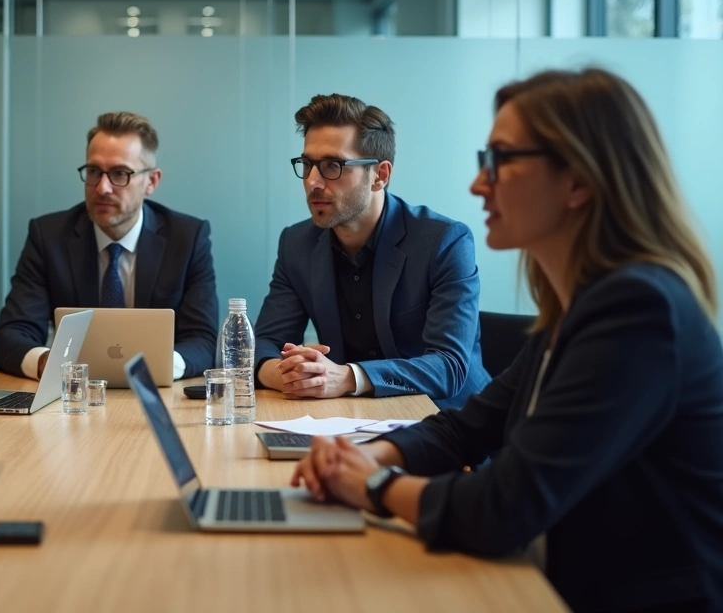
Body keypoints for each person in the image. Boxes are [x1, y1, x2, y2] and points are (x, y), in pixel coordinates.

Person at [291, 69, 723, 612]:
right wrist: (364, 456)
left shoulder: (639, 312)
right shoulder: (578, 307)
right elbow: (464, 429)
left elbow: (503, 508)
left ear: (578, 181)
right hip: (548, 573)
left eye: (503, 160)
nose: (479, 184)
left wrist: (372, 485)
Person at [254, 94, 490, 409]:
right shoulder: (297, 244)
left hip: (449, 426)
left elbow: (449, 366)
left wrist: (348, 377)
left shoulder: (444, 242)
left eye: (332, 166)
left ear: (380, 175)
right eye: (308, 164)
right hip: (353, 420)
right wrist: (289, 374)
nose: (312, 181)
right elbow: (262, 345)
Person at [0, 111, 218, 380]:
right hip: (75, 397)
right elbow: (12, 335)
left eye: (120, 174)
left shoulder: (187, 238)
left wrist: (156, 368)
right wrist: (46, 362)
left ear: (151, 181)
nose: (102, 188)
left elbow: (203, 340)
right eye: (93, 171)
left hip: (157, 395)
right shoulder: (49, 237)